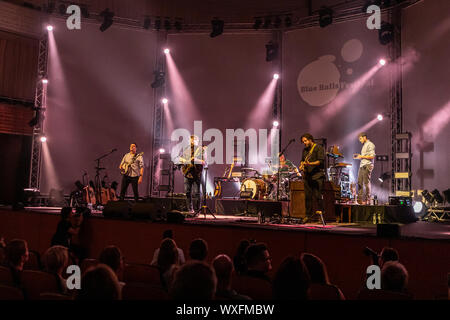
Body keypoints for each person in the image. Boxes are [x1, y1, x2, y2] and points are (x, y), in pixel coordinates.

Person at [300, 133, 325, 223]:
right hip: (307, 176)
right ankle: (308, 216)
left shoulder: (318, 148)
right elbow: (302, 160)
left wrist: (310, 164)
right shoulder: (305, 150)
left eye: (305, 141)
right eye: (303, 141)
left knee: (318, 196)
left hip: (317, 176)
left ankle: (321, 216)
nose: (304, 143)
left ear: (311, 140)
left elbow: (320, 161)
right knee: (307, 197)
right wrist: (302, 165)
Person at [179, 135, 205, 214]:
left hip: (197, 174)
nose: (192, 142)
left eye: (193, 140)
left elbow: (204, 162)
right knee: (187, 192)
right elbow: (181, 158)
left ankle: (197, 211)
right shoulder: (186, 149)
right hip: (187, 173)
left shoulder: (201, 150)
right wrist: (183, 161)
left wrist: (196, 159)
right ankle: (190, 210)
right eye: (191, 140)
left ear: (197, 141)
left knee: (197, 193)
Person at [353, 133, 375, 204]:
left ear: (364, 137)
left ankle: (367, 200)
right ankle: (359, 200)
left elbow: (372, 156)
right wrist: (359, 157)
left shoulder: (370, 144)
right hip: (362, 165)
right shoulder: (364, 145)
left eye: (360, 138)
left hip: (367, 165)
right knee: (359, 182)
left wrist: (361, 157)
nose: (360, 140)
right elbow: (364, 157)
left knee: (366, 183)